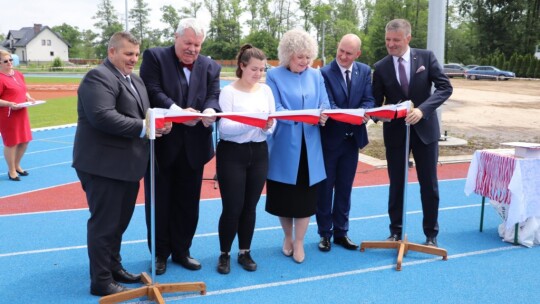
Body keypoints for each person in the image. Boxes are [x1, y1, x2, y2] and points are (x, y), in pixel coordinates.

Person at [72, 32, 171, 296]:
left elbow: (144, 116)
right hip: (103, 166)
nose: (133, 59)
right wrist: (145, 126)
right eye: (128, 54)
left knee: (119, 223)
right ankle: (101, 281)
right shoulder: (98, 77)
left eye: (136, 54)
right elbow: (102, 117)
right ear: (112, 51)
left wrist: (159, 123)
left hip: (128, 166)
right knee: (104, 224)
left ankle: (114, 267)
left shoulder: (135, 80)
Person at [140, 17, 221, 274]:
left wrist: (209, 110)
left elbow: (214, 96)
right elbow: (151, 91)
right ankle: (160, 254)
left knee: (188, 204)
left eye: (197, 45)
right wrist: (177, 111)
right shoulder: (155, 57)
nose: (193, 49)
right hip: (162, 147)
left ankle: (182, 251)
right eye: (188, 43)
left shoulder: (210, 66)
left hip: (195, 148)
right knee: (160, 203)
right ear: (176, 37)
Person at [372, 19, 452, 247]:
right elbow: (377, 103)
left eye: (396, 40)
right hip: (396, 134)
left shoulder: (426, 57)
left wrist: (422, 110)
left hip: (425, 132)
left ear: (408, 38)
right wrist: (378, 114)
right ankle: (395, 232)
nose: (391, 44)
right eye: (388, 40)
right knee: (396, 184)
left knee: (429, 184)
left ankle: (431, 235)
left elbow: (445, 87)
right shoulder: (381, 67)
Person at [265, 29, 330, 264]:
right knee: (284, 197)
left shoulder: (316, 75)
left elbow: (324, 103)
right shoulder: (274, 75)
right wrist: (303, 116)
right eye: (299, 56)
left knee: (305, 199)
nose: (304, 61)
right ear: (287, 55)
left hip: (310, 147)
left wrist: (323, 114)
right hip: (284, 145)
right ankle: (288, 237)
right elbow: (276, 108)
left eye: (307, 56)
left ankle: (300, 241)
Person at [215, 44, 275, 274]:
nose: (259, 74)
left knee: (250, 207)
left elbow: (272, 122)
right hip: (232, 154)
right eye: (254, 69)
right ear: (242, 66)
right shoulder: (228, 92)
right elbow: (226, 128)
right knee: (232, 207)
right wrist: (254, 121)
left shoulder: (266, 91)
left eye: (262, 69)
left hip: (259, 152)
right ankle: (224, 254)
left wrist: (267, 126)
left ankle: (244, 251)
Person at [317, 34, 375, 252]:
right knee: (325, 189)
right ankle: (324, 234)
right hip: (330, 141)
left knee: (344, 189)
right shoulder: (324, 73)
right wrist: (354, 115)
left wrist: (365, 112)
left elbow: (369, 100)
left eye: (348, 53)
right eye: (340, 50)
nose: (342, 55)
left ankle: (342, 232)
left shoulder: (364, 71)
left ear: (357, 54)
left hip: (353, 141)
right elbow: (329, 105)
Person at [0, 50, 34, 181]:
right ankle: (11, 170)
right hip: (8, 114)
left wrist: (29, 97)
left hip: (22, 112)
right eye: (5, 61)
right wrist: (9, 103)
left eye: (10, 60)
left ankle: (17, 165)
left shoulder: (18, 74)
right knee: (12, 143)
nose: (9, 63)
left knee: (25, 141)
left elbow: (23, 90)